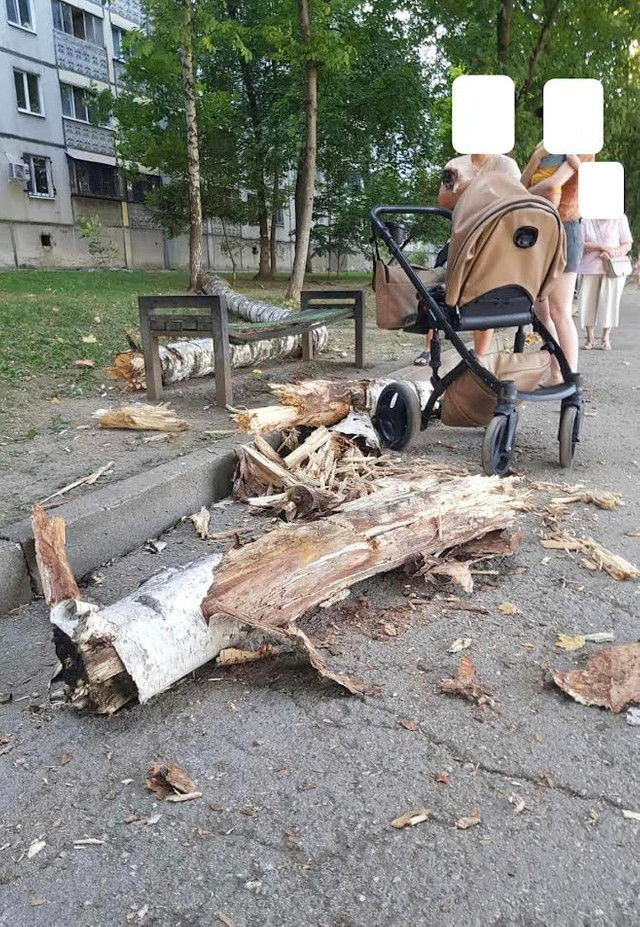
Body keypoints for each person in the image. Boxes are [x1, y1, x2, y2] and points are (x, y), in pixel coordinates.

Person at [414, 152, 521, 366]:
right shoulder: (455, 164)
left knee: (486, 293)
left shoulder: (507, 165)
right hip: (461, 236)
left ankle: (479, 356)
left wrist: (470, 185)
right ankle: (428, 347)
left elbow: (515, 199)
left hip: (495, 241)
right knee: (438, 290)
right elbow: (445, 199)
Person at [521, 133, 594, 372]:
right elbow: (520, 187)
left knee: (559, 310)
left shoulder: (581, 148)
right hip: (539, 230)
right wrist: (536, 157)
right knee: (541, 312)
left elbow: (552, 186)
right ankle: (556, 370)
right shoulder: (542, 146)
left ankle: (571, 375)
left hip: (566, 228)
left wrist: (529, 192)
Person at [578, 215, 632, 350]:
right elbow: (580, 243)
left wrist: (612, 253)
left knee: (609, 302)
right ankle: (589, 337)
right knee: (587, 302)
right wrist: (600, 247)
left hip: (612, 268)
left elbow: (627, 244)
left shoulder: (620, 218)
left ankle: (605, 337)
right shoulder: (586, 219)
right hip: (589, 268)